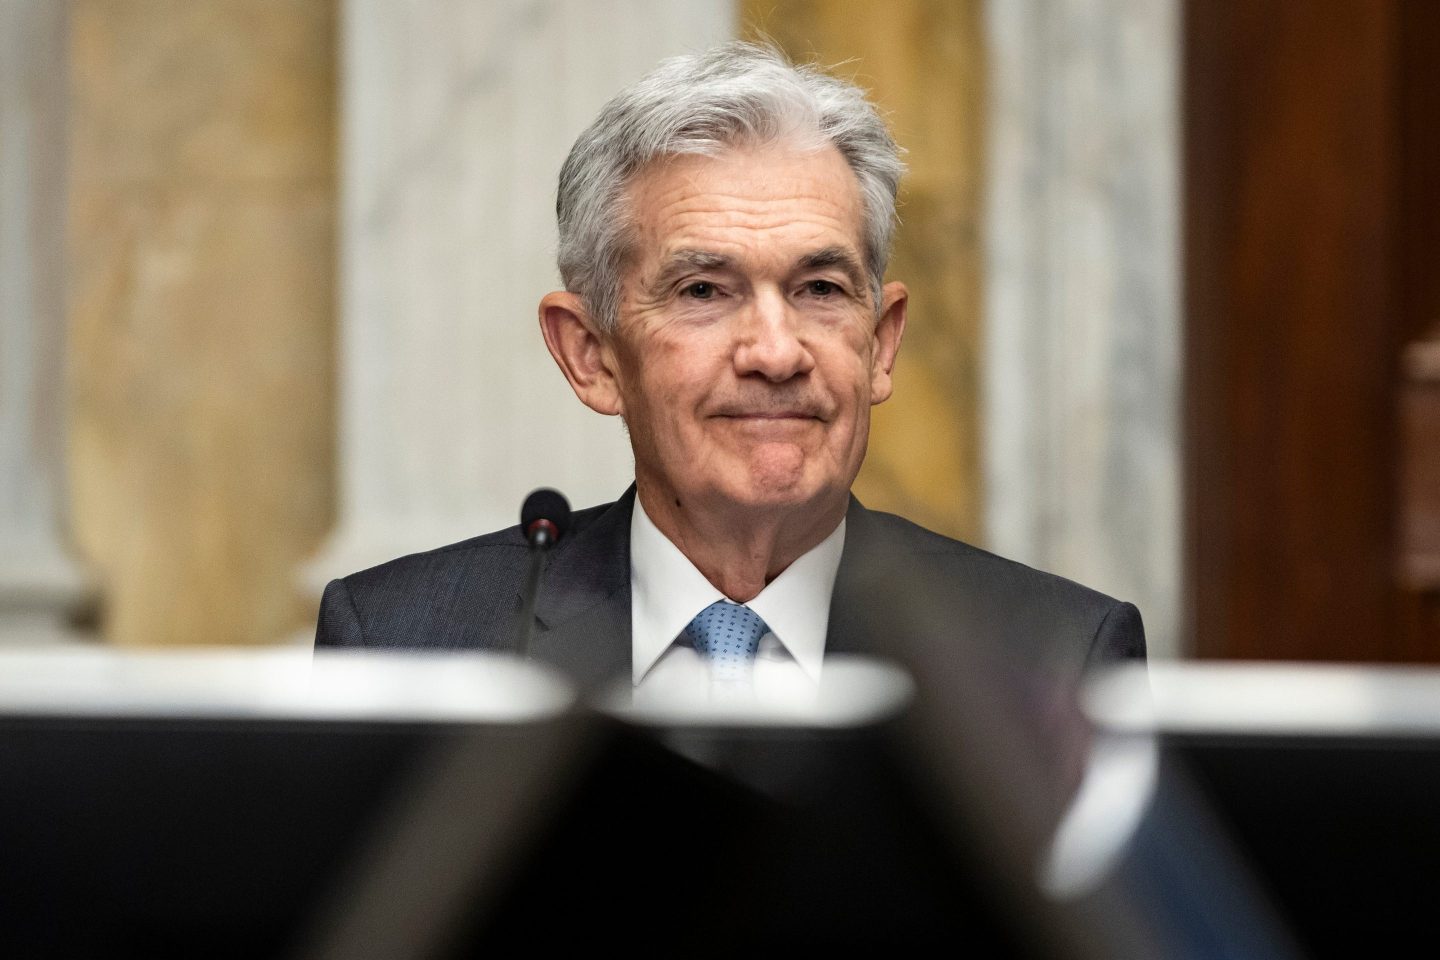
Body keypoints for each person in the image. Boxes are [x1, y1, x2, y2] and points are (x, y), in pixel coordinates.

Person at [314, 42, 1145, 700]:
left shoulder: (1054, 659)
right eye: (704, 291)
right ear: (591, 354)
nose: (776, 353)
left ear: (880, 342)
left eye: (820, 289)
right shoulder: (407, 644)